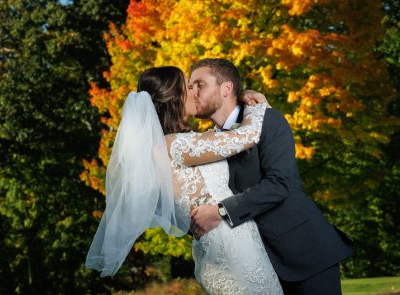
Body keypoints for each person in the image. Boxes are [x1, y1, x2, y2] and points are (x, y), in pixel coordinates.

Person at [85, 66, 284, 294]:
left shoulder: (163, 148)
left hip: (223, 248)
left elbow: (168, 207)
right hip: (234, 251)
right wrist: (255, 103)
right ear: (176, 97)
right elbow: (248, 136)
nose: (194, 92)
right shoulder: (175, 145)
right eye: (188, 87)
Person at [189, 58, 354, 294]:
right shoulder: (205, 142)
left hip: (304, 253)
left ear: (226, 88)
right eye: (190, 87)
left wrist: (221, 211)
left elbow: (280, 183)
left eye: (200, 85)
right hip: (254, 266)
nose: (193, 92)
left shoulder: (267, 120)